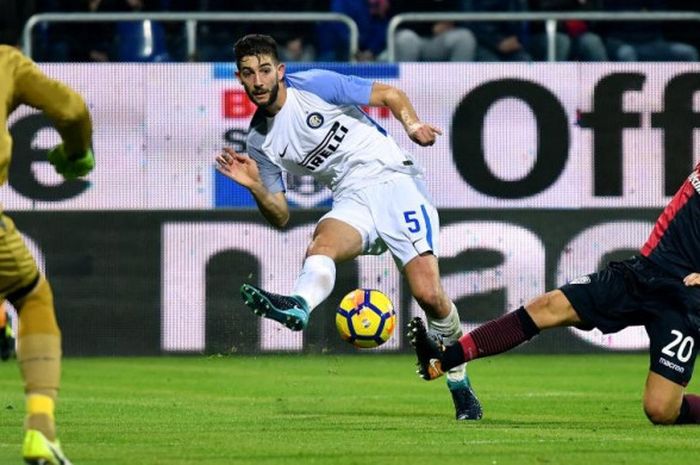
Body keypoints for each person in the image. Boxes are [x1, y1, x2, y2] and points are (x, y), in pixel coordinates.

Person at [215, 33, 482, 420]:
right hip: (351, 199)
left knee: (429, 296)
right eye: (248, 73)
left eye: (264, 70)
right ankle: (299, 306)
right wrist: (257, 185)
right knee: (320, 245)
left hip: (394, 181)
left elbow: (389, 94)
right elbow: (281, 215)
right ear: (239, 80)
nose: (257, 81)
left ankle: (460, 386)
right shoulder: (259, 140)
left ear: (281, 71)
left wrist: (412, 125)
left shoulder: (314, 84)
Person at [408, 162, 700, 425]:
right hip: (642, 273)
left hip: (685, 297)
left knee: (661, 410)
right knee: (548, 306)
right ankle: (443, 359)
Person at [1, 45, 95, 463]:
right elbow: (72, 110)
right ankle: (40, 429)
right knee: (32, 295)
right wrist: (76, 153)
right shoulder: (5, 62)